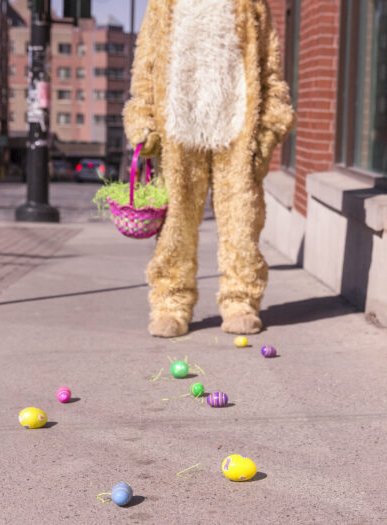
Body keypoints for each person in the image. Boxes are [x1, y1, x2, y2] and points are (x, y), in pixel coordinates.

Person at [123, 0, 295, 338]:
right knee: (175, 225)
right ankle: (170, 303)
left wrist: (270, 127)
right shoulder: (162, 3)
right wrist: (142, 119)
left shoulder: (251, 3)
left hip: (237, 130)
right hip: (178, 130)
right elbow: (145, 66)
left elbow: (269, 65)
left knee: (242, 224)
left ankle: (240, 301)